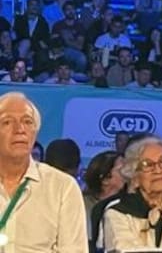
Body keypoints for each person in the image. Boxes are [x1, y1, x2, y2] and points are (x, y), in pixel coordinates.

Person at [0, 91, 88, 250]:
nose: (19, 129)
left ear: (35, 132)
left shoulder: (63, 187)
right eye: (7, 122)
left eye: (27, 122)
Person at [84, 150, 127, 249]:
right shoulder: (81, 206)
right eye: (122, 169)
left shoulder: (128, 206)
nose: (128, 173)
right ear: (105, 180)